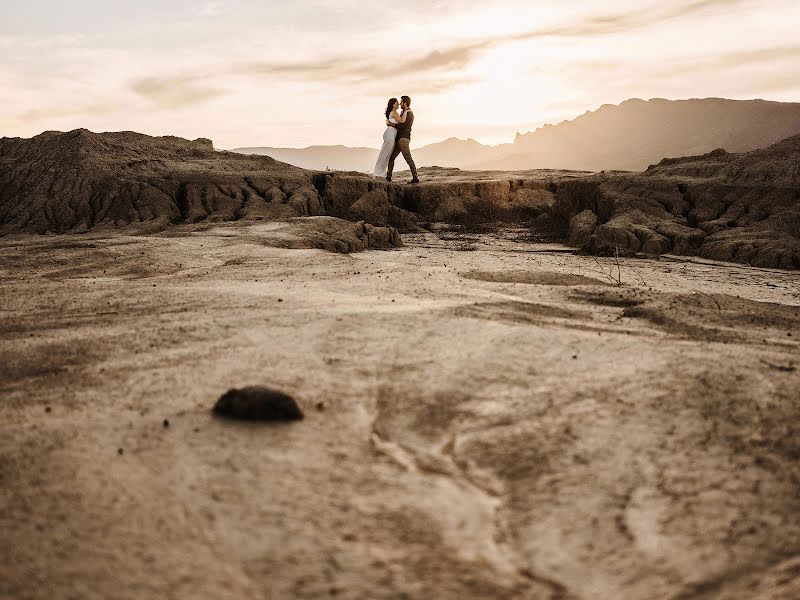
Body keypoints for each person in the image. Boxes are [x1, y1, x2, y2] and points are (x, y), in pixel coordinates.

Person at [386, 95, 419, 184]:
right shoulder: (403, 112)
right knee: (391, 157)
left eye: (401, 102)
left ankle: (415, 178)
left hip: (403, 139)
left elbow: (403, 126)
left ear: (405, 103)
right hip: (399, 139)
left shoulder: (409, 113)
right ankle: (388, 177)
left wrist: (391, 125)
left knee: (408, 158)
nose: (400, 104)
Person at [373, 98, 407, 179]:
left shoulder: (393, 112)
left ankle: (380, 171)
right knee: (385, 153)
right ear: (392, 104)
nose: (398, 104)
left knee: (386, 153)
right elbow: (402, 121)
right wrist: (406, 111)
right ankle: (379, 172)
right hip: (390, 135)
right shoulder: (394, 112)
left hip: (390, 134)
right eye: (396, 103)